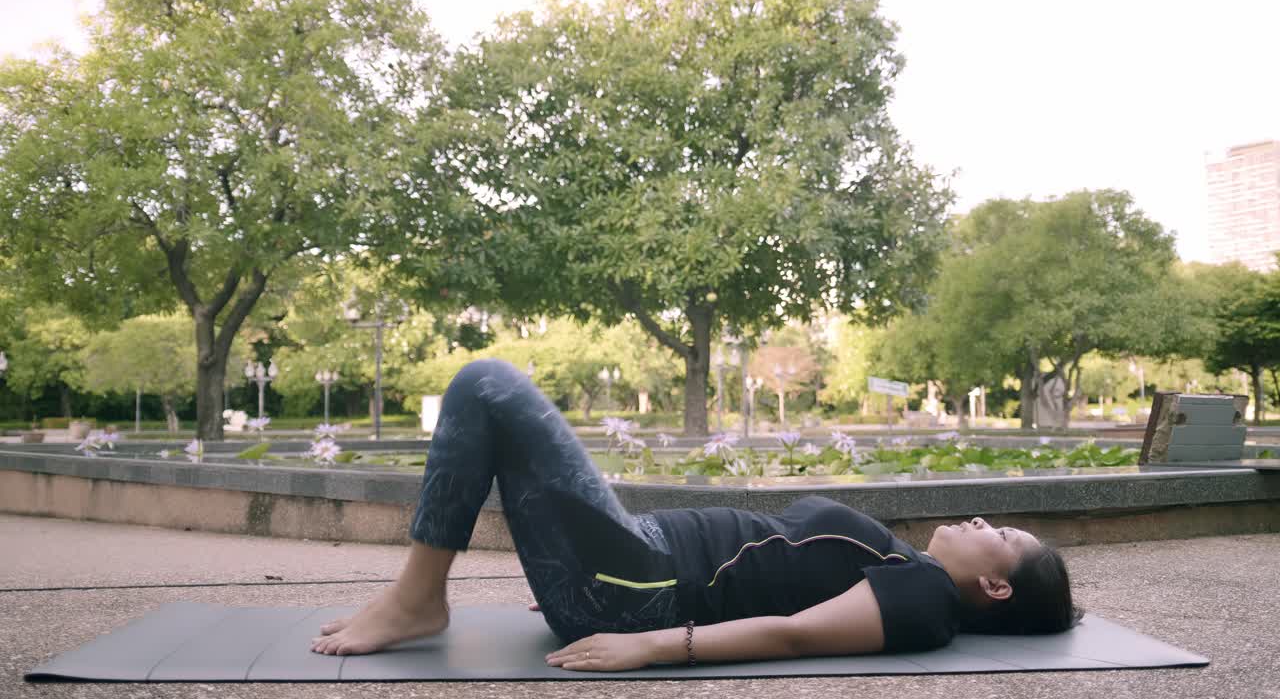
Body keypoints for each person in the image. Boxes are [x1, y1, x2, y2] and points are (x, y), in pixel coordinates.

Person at [311, 359, 1082, 671]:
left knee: (485, 384)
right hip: (626, 571)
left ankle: (417, 599)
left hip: (639, 589)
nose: (985, 523)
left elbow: (793, 635)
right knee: (488, 401)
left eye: (1002, 539)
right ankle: (418, 596)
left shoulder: (925, 595)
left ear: (998, 589)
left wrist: (651, 648)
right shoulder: (908, 573)